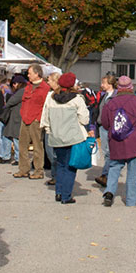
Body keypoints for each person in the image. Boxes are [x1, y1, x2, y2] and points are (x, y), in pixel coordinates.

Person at [101, 76, 136, 207]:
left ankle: (109, 191)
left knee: (114, 167)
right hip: (134, 140)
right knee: (133, 171)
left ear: (118, 87)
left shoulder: (110, 103)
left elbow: (105, 123)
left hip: (117, 140)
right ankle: (131, 200)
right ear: (131, 87)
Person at [40, 72, 91, 204]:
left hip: (56, 136)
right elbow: (85, 120)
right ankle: (66, 195)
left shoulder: (51, 98)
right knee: (70, 167)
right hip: (72, 136)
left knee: (60, 165)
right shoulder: (77, 99)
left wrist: (49, 131)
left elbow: (46, 118)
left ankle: (59, 191)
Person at [13, 64, 49, 180]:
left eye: (30, 73)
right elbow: (24, 102)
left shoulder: (45, 88)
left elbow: (45, 105)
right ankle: (23, 169)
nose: (28, 76)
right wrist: (23, 114)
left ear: (37, 74)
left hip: (35, 120)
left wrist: (38, 119)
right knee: (22, 145)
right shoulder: (28, 86)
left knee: (37, 146)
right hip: (25, 118)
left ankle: (39, 170)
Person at [0, 74, 27, 166]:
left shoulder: (21, 91)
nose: (13, 85)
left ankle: (15, 157)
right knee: (11, 136)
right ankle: (10, 156)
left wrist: (5, 107)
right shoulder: (23, 91)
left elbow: (11, 101)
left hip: (16, 117)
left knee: (14, 137)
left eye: (14, 83)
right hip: (15, 117)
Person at [94, 74, 116, 188]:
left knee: (109, 152)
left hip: (110, 127)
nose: (101, 85)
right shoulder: (104, 95)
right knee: (106, 152)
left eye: (103, 83)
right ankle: (106, 174)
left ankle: (106, 174)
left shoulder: (115, 96)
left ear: (110, 84)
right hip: (102, 126)